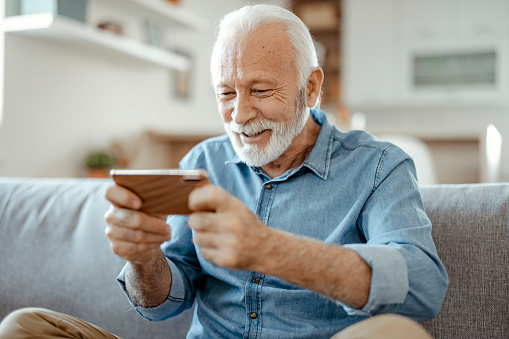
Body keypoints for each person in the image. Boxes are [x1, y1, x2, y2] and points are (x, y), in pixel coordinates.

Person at [0, 4, 448, 339]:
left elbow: (423, 287)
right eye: (225, 93)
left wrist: (270, 251)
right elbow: (162, 304)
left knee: (396, 334)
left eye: (259, 89)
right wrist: (143, 258)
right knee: (25, 327)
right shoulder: (203, 163)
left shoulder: (379, 167)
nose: (239, 113)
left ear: (309, 87)